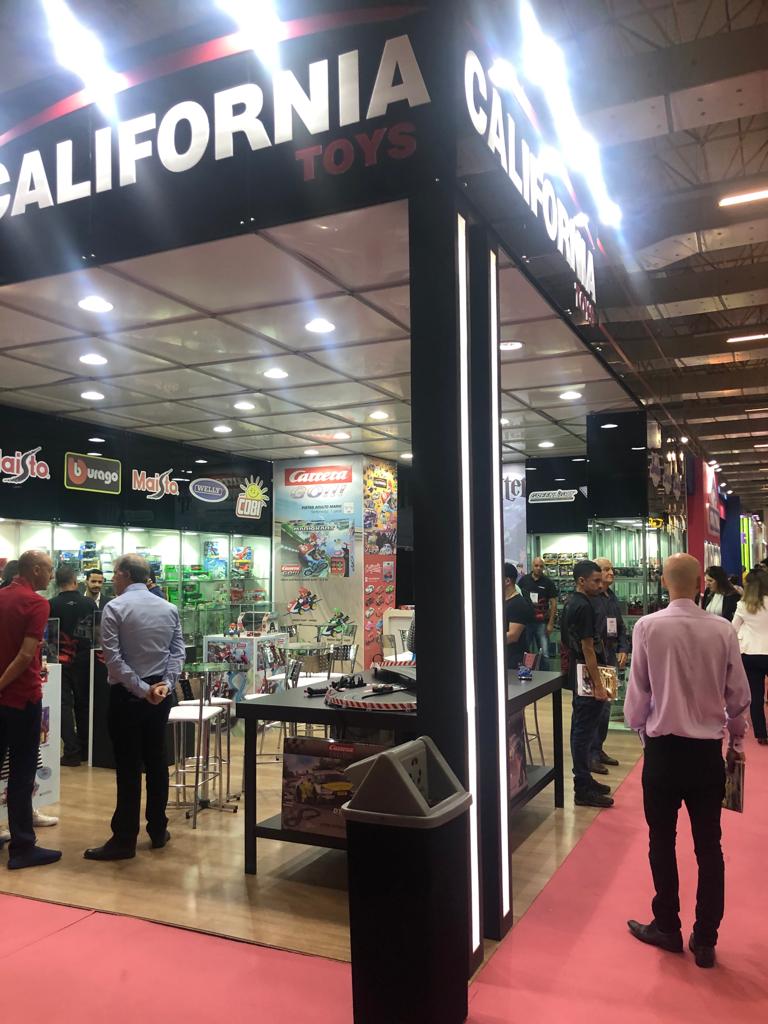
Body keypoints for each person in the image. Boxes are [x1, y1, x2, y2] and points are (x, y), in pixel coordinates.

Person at [625, 553, 750, 968]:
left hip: (663, 751)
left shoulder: (647, 627)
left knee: (661, 840)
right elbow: (738, 695)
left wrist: (641, 730)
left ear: (664, 582)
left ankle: (667, 925)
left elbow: (638, 693)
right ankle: (706, 938)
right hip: (705, 754)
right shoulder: (722, 630)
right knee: (709, 846)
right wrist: (736, 740)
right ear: (700, 584)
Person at [84, 554, 184, 861]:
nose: (112, 579)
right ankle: (158, 830)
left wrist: (141, 689)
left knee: (128, 767)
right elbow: (177, 652)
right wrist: (165, 684)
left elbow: (113, 659)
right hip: (160, 693)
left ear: (126, 574)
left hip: (128, 695)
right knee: (157, 760)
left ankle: (124, 839)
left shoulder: (115, 607)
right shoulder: (168, 608)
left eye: (114, 573)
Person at [0, 550, 61, 869]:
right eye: (49, 569)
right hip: (21, 698)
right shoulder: (36, 603)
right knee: (22, 774)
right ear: (35, 570)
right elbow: (25, 656)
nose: (52, 575)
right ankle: (22, 846)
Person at [560, 559, 613, 808]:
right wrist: (598, 685)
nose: (600, 585)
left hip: (580, 672)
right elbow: (588, 648)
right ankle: (582, 786)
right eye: (596, 580)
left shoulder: (573, 602)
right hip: (587, 674)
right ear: (582, 581)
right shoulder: (583, 606)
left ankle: (584, 780)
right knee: (583, 732)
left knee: (582, 729)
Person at [50, 566, 97, 766]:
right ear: (76, 581)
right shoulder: (89, 603)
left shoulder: (51, 604)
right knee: (84, 704)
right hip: (85, 659)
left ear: (56, 583)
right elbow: (97, 633)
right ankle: (86, 749)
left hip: (59, 660)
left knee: (63, 705)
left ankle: (71, 751)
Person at [589, 557, 629, 777]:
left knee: (606, 709)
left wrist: (623, 647)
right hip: (595, 661)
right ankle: (590, 755)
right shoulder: (589, 600)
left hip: (610, 659)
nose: (611, 572)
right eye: (606, 569)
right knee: (594, 709)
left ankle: (598, 749)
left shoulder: (611, 597)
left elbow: (620, 626)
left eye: (611, 568)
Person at [732, 569, 768, 746]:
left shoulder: (742, 605)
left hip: (750, 653)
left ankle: (761, 734)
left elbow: (733, 629)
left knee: (756, 695)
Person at [518, 556, 558, 670]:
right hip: (526, 623)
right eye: (536, 566)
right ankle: (524, 674)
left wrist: (551, 623)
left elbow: (554, 603)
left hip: (542, 623)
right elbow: (517, 598)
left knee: (545, 654)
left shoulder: (548, 582)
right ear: (532, 566)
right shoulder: (524, 580)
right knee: (524, 652)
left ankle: (546, 678)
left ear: (543, 567)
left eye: (541, 566)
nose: (538, 568)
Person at [504, 562, 535, 669]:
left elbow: (513, 635)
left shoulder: (518, 604)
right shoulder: (503, 602)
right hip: (504, 658)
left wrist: (489, 640)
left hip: (514, 661)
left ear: (507, 581)